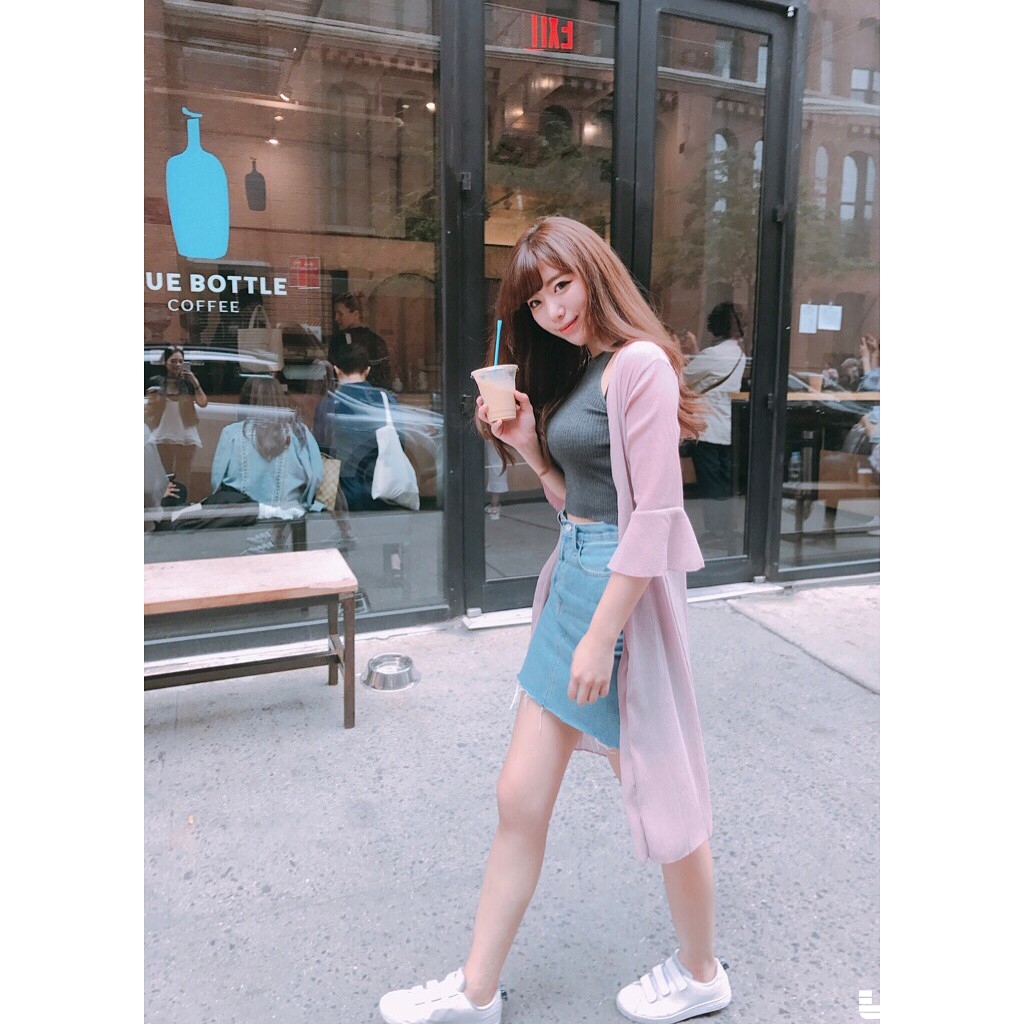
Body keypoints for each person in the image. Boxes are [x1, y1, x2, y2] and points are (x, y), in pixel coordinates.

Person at [379, 216, 729, 1024]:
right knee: (519, 797)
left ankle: (702, 972)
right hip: (574, 582)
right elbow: (583, 503)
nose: (553, 309)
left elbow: (653, 519)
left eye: (562, 286)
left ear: (594, 272)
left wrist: (603, 637)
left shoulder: (638, 364)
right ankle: (476, 992)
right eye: (536, 301)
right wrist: (532, 449)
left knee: (664, 801)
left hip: (621, 604)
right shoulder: (588, 369)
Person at [205, 375, 323, 514]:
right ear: (280, 397)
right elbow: (317, 477)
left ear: (246, 399)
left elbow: (216, 481)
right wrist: (307, 504)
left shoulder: (231, 433)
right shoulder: (300, 433)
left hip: (243, 517)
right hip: (289, 517)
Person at [681, 302, 746, 550]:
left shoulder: (714, 355)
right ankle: (726, 529)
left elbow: (685, 378)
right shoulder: (739, 354)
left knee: (710, 483)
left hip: (707, 427)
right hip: (725, 426)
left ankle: (716, 531)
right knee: (722, 481)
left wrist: (686, 351)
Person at [317, 341, 401, 512]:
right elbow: (400, 443)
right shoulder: (386, 400)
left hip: (343, 495)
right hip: (384, 490)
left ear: (337, 370)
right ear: (367, 370)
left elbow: (322, 453)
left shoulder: (328, 405)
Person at [145, 345, 208, 495]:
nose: (177, 365)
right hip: (163, 433)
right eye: (173, 361)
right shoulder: (157, 381)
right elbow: (149, 409)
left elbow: (203, 403)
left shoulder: (187, 383)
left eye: (180, 361)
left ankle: (182, 502)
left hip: (185, 433)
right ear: (165, 362)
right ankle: (164, 502)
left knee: (183, 475)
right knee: (163, 474)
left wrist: (195, 382)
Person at [332, 292, 394, 390]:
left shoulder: (341, 341)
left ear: (355, 314)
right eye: (335, 314)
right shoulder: (377, 341)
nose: (336, 318)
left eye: (340, 314)